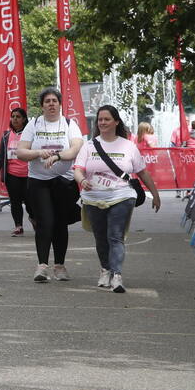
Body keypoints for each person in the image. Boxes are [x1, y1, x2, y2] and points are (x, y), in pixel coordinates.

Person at [73, 105, 162, 293]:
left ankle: (117, 275)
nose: (103, 123)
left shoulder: (128, 146)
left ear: (116, 121)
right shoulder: (89, 146)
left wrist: (155, 194)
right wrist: (82, 180)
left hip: (122, 195)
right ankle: (105, 269)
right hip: (93, 197)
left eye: (106, 119)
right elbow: (78, 169)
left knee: (115, 236)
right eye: (100, 119)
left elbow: (142, 172)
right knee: (100, 237)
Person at [18, 87, 84, 282]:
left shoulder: (69, 124)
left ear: (60, 103)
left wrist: (57, 156)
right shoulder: (34, 124)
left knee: (60, 224)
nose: (51, 104)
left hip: (64, 181)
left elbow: (75, 149)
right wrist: (38, 153)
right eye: (47, 101)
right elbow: (21, 152)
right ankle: (42, 266)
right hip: (39, 181)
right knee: (45, 222)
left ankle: (60, 266)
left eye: (55, 100)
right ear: (42, 106)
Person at [0, 106, 32, 235]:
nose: (15, 119)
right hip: (12, 175)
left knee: (30, 202)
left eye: (18, 117)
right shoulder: (7, 135)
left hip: (28, 175)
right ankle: (18, 226)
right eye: (13, 116)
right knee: (15, 202)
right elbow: (1, 155)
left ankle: (34, 219)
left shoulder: (30, 134)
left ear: (24, 119)